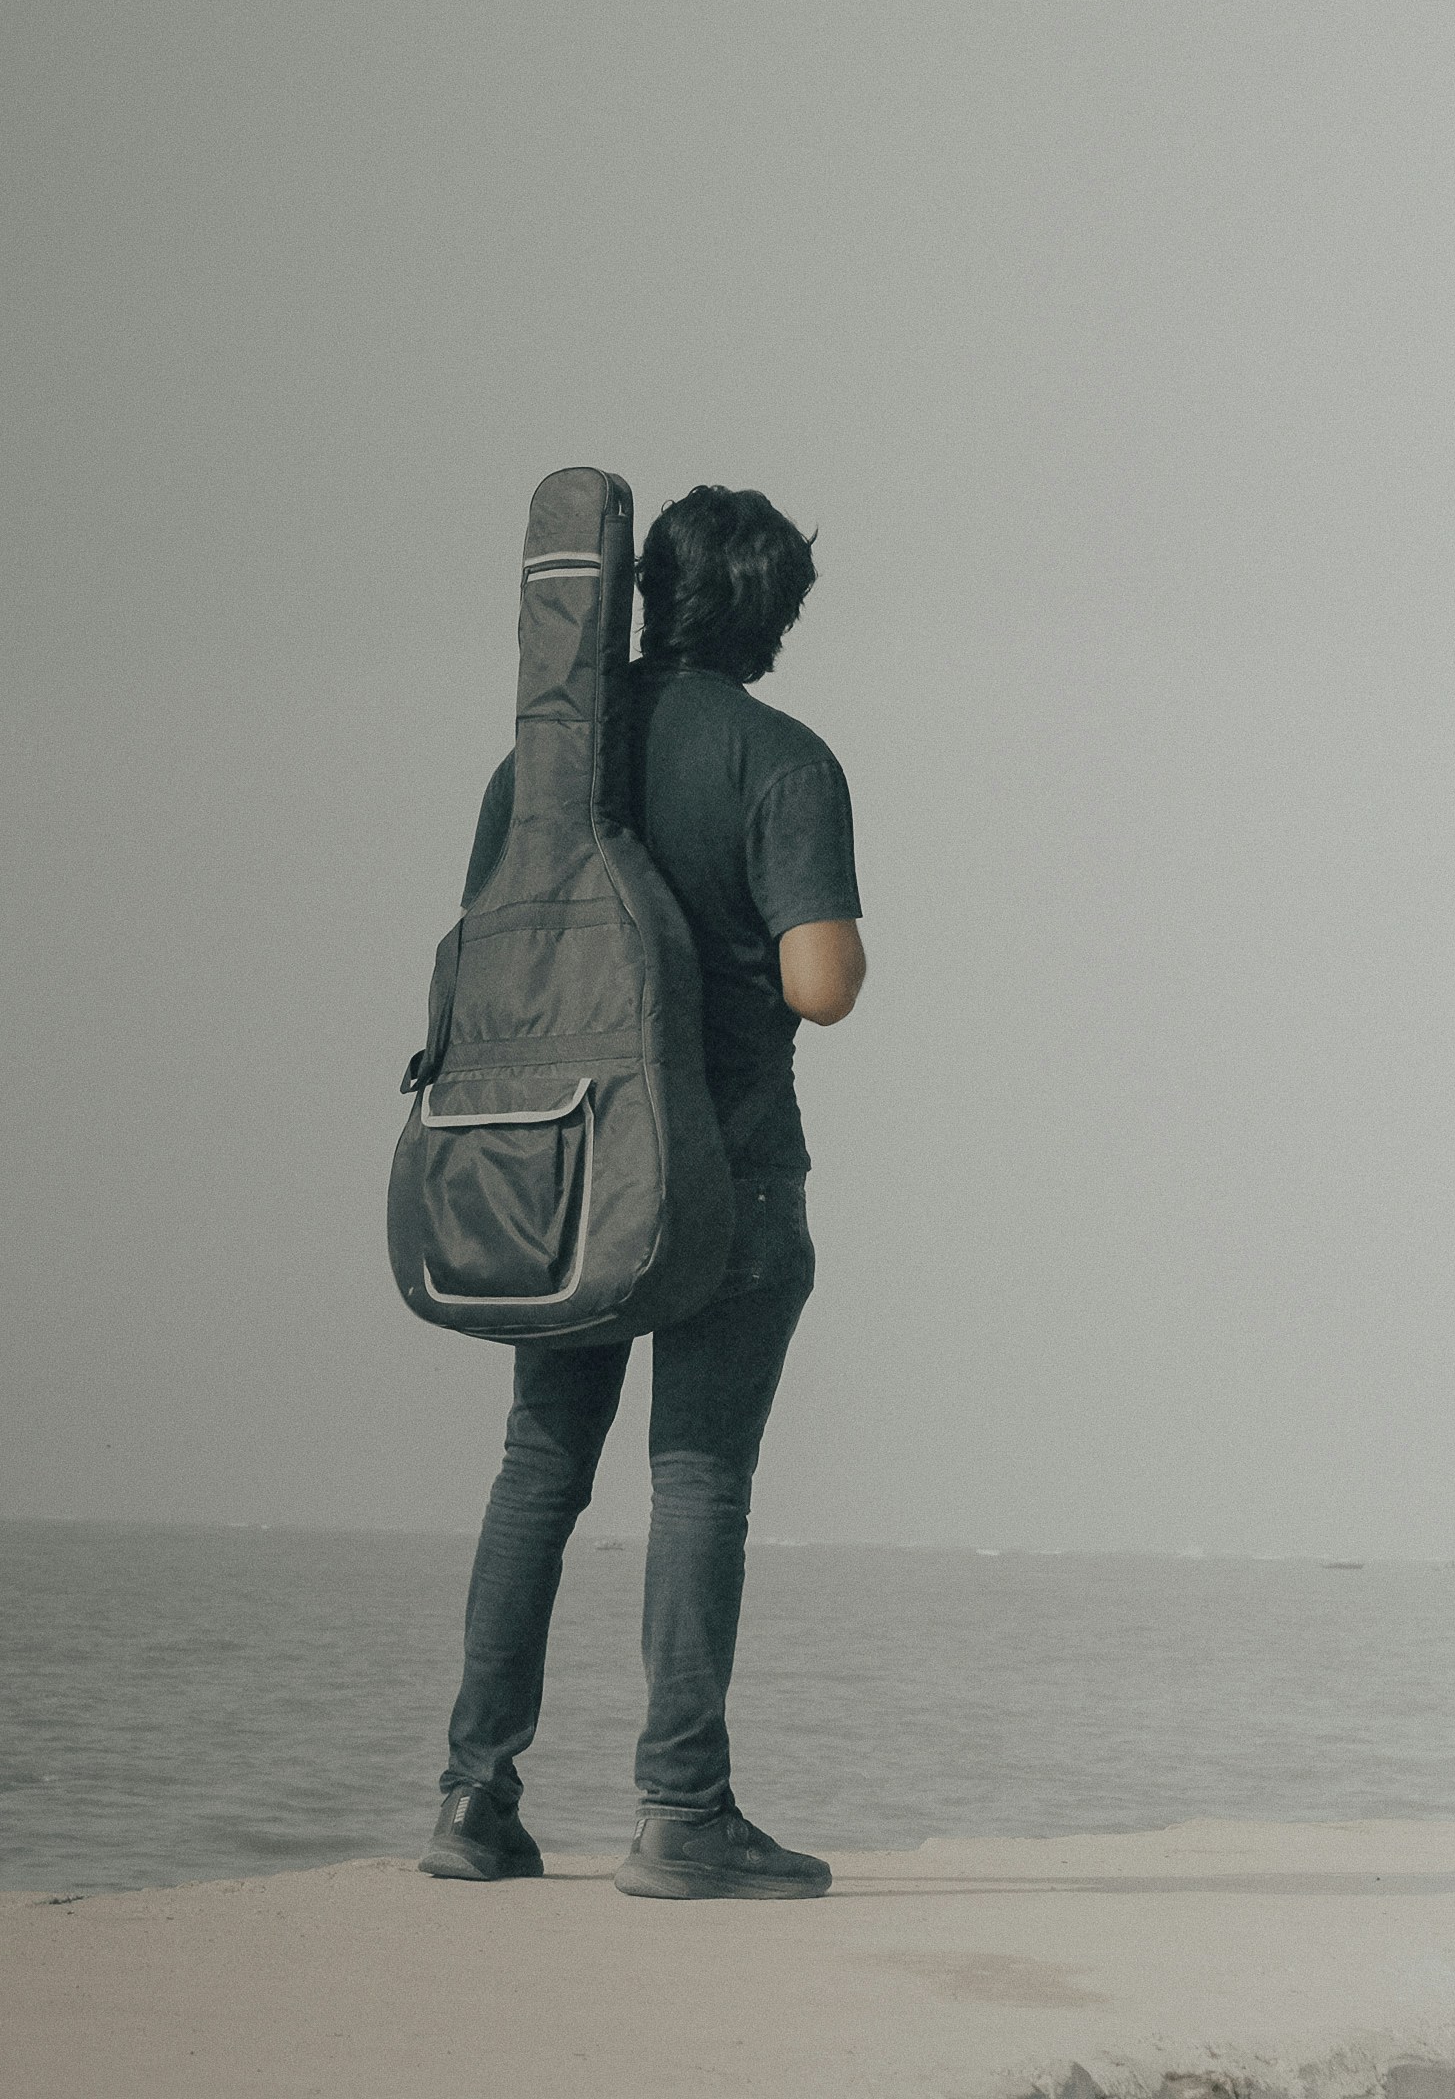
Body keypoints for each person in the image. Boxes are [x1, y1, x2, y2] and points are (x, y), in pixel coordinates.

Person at [420, 484, 863, 1900]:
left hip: (561, 1173)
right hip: (726, 1174)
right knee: (698, 1476)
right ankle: (683, 1814)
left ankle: (473, 1804)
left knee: (540, 1470)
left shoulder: (541, 769)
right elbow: (822, 986)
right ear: (773, 614)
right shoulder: (784, 760)